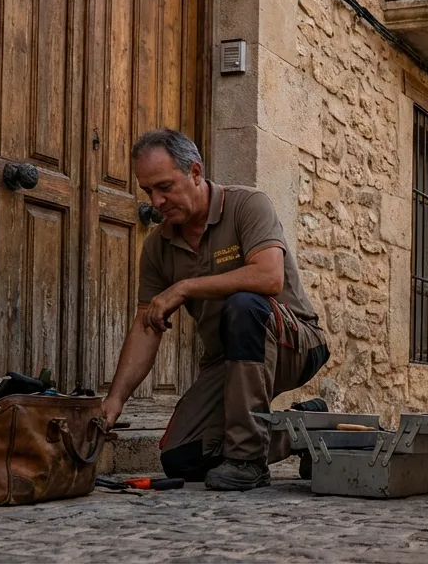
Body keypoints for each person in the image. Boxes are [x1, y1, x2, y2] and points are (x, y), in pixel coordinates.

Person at [102, 129, 329, 491]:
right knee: (183, 458)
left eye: (164, 187)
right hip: (226, 361)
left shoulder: (248, 205)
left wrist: (184, 287)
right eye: (148, 191)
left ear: (195, 172)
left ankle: (248, 461)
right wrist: (114, 401)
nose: (156, 201)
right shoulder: (158, 246)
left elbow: (269, 277)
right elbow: (147, 326)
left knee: (244, 304)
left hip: (295, 343)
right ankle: (306, 430)